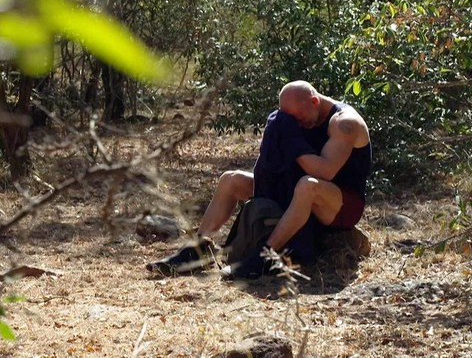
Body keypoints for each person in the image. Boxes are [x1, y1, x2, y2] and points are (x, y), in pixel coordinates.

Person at [146, 80, 372, 279]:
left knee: (307, 186)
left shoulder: (344, 123)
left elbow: (325, 172)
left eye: (299, 119)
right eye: (290, 121)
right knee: (231, 180)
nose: (297, 125)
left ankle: (265, 255)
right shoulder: (300, 116)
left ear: (314, 102)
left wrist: (292, 142)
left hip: (341, 204)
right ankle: (198, 249)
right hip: (299, 193)